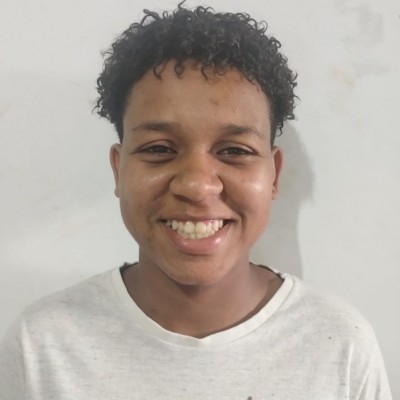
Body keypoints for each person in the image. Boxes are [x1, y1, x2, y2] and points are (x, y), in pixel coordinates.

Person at [0, 3, 393, 400]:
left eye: (234, 151)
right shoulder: (43, 347)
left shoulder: (340, 348)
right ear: (119, 170)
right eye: (159, 149)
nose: (197, 186)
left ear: (274, 174)